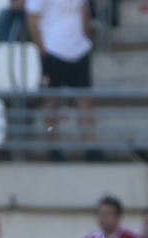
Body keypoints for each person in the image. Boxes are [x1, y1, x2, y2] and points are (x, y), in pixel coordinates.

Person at [27, 0, 96, 156]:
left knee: (85, 100)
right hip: (53, 50)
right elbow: (32, 20)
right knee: (52, 101)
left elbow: (84, 11)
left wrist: (84, 39)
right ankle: (53, 147)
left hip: (79, 49)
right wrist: (43, 51)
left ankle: (90, 146)